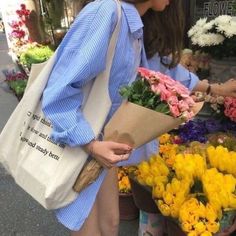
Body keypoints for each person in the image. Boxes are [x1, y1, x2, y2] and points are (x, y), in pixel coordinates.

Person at [42, 0, 176, 235]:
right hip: (81, 146)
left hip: (101, 148)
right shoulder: (105, 13)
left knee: (111, 223)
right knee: (90, 229)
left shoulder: (131, 23)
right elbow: (58, 92)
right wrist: (90, 144)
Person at [137, 7, 236, 236]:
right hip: (119, 137)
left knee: (146, 201)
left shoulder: (149, 28)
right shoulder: (115, 17)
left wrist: (216, 88)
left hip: (137, 136)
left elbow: (168, 70)